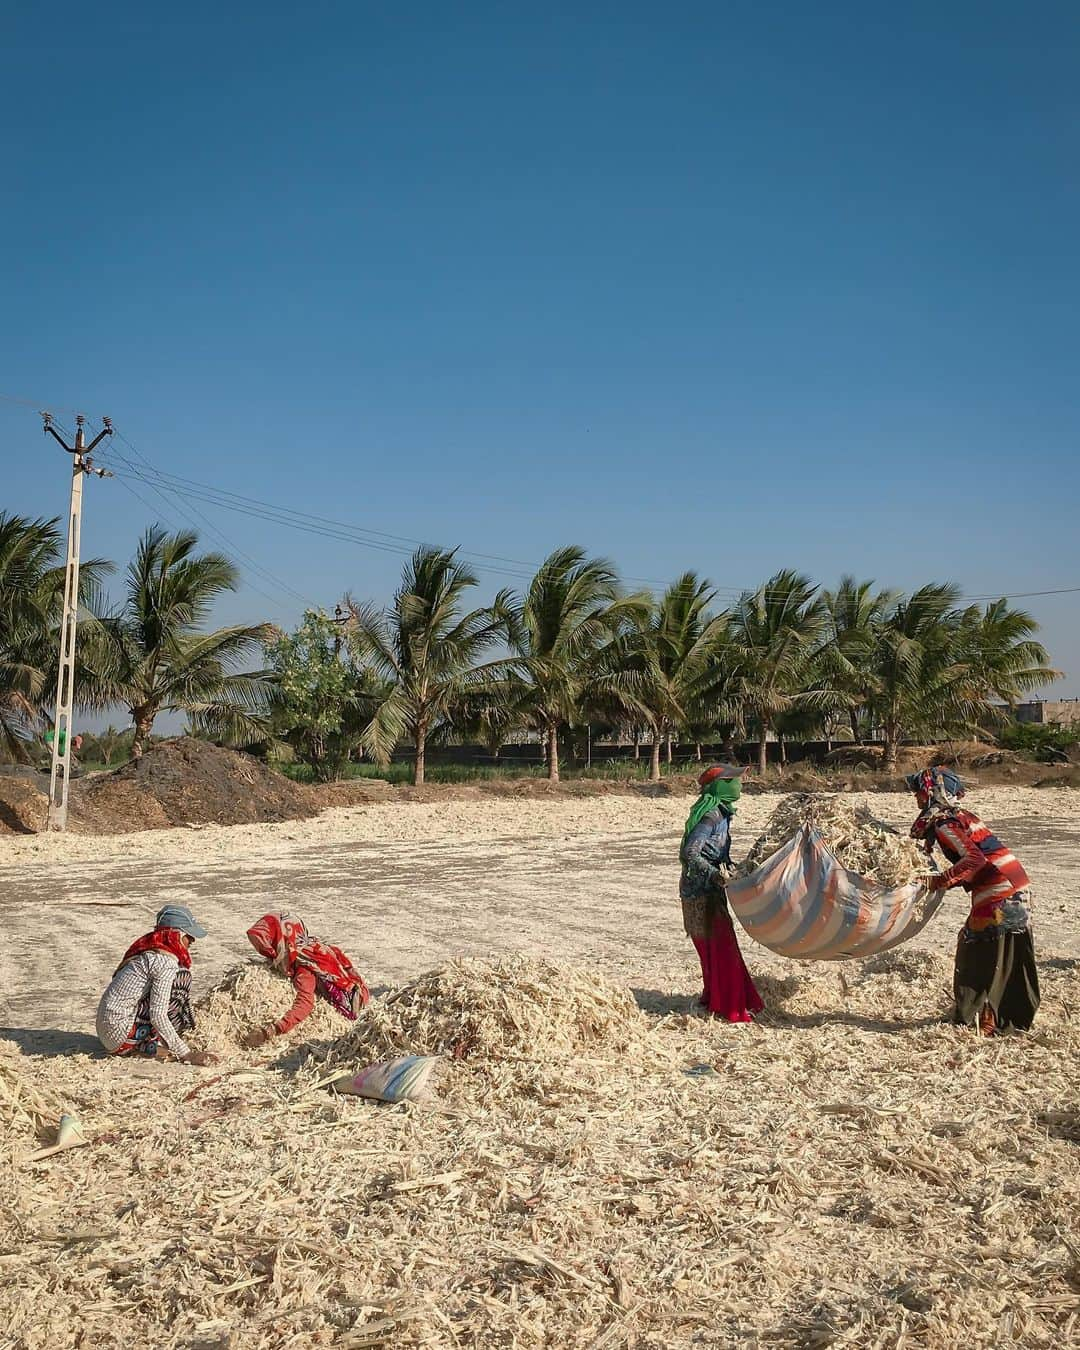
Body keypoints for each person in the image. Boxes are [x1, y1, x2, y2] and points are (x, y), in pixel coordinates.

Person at [908, 766, 1039, 1035]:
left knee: (977, 952)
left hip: (999, 892)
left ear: (934, 792)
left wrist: (938, 881)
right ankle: (1009, 1017)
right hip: (1015, 884)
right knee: (1006, 954)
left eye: (920, 792)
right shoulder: (960, 815)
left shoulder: (945, 823)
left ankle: (984, 1020)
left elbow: (974, 860)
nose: (917, 799)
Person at [680, 764, 764, 1022]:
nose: (739, 785)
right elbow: (690, 854)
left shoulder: (723, 814)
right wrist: (715, 875)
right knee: (720, 949)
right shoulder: (711, 816)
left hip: (709, 891)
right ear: (721, 786)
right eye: (734, 780)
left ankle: (716, 998)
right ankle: (728, 1005)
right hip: (700, 894)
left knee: (718, 949)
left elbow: (719, 855)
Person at [96, 905, 217, 1065]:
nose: (192, 940)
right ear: (176, 935)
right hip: (120, 1035)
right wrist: (187, 1054)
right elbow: (158, 1014)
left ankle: (146, 1043)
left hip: (107, 1032)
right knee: (181, 981)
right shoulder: (165, 962)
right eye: (189, 935)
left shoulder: (149, 951)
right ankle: (148, 1043)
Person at [241, 912, 370, 1048]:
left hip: (349, 1009)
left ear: (281, 940)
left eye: (270, 946)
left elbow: (305, 1004)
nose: (269, 953)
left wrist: (271, 1031)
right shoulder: (309, 946)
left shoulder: (305, 966)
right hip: (360, 990)